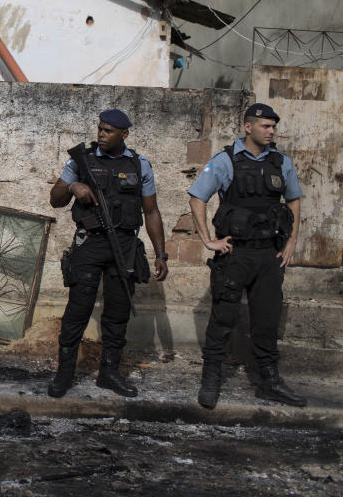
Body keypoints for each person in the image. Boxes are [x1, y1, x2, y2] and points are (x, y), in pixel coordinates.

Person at [188, 103, 305, 409]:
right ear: (248, 127)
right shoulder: (226, 161)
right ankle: (211, 378)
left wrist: (291, 241)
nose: (271, 131)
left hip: (269, 254)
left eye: (273, 127)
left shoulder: (281, 162)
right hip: (235, 254)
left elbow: (293, 199)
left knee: (266, 320)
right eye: (266, 126)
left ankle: (269, 381)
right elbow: (197, 195)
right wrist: (207, 240)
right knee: (223, 317)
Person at [47, 109, 169, 398]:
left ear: (124, 135)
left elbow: (151, 211)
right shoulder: (81, 160)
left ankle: (109, 373)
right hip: (90, 243)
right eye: (100, 128)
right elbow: (55, 199)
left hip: (124, 245)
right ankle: (64, 375)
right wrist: (74, 186)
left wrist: (161, 254)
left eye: (108, 131)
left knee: (117, 312)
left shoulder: (140, 165)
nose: (101, 134)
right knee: (78, 310)